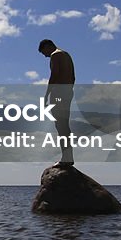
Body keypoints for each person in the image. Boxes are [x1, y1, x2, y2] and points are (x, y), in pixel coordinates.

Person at [38, 39, 75, 167]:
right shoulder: (66, 55)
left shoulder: (55, 55)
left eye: (44, 53)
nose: (45, 56)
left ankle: (66, 157)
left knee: (60, 125)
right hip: (67, 92)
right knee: (64, 124)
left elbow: (54, 76)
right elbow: (73, 77)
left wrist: (46, 95)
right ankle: (68, 156)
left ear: (48, 46)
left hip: (59, 93)